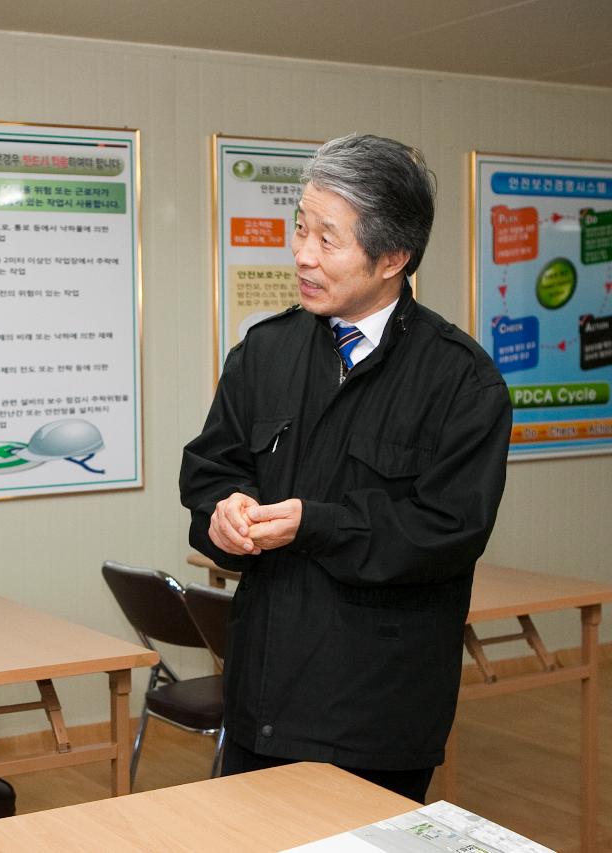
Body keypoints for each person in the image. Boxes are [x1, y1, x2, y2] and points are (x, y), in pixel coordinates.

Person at [179, 133, 511, 802]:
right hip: (260, 700)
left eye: (327, 239)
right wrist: (224, 511)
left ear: (393, 257)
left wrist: (315, 523)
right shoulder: (265, 352)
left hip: (377, 714)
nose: (302, 253)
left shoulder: (461, 381)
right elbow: (210, 470)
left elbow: (447, 529)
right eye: (300, 228)